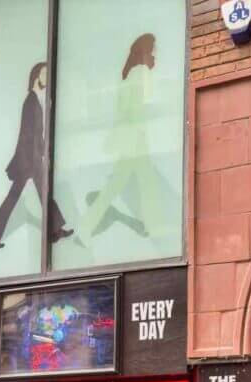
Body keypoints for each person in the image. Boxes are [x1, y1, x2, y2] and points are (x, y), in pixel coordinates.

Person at [78, 34, 164, 242]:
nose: (155, 51)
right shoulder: (140, 72)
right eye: (153, 48)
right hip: (135, 138)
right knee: (137, 183)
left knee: (127, 184)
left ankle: (86, 228)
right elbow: (139, 106)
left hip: (131, 137)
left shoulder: (131, 73)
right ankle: (154, 228)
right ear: (146, 49)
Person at [0, 62, 72, 249]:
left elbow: (38, 134)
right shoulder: (30, 101)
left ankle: (55, 230)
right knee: (15, 196)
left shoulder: (37, 99)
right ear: (35, 77)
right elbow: (26, 135)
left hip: (33, 158)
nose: (46, 78)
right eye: (44, 74)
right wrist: (34, 158)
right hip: (28, 160)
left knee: (42, 193)